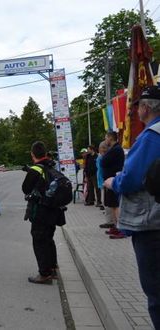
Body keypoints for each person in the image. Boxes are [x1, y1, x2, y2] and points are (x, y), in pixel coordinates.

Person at [103, 85, 160, 328]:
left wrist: (113, 181)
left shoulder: (151, 136)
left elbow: (133, 178)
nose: (135, 110)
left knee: (156, 291)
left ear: (146, 108)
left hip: (152, 223)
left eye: (137, 105)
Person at [22, 141, 65, 284]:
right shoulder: (51, 166)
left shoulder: (35, 169)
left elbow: (26, 188)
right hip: (54, 210)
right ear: (45, 153)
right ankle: (53, 269)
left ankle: (44, 274)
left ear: (32, 154)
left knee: (39, 241)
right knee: (49, 239)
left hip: (41, 211)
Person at [101, 131, 125, 239]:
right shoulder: (113, 149)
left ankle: (121, 229)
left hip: (114, 180)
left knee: (115, 205)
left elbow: (103, 162)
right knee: (112, 205)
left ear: (110, 138)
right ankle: (116, 226)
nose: (105, 140)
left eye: (106, 137)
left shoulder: (116, 149)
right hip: (111, 180)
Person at [96, 141, 108, 212]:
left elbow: (100, 168)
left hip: (102, 177)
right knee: (103, 192)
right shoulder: (101, 157)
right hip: (101, 177)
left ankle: (104, 206)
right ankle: (104, 206)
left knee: (104, 193)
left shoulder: (101, 157)